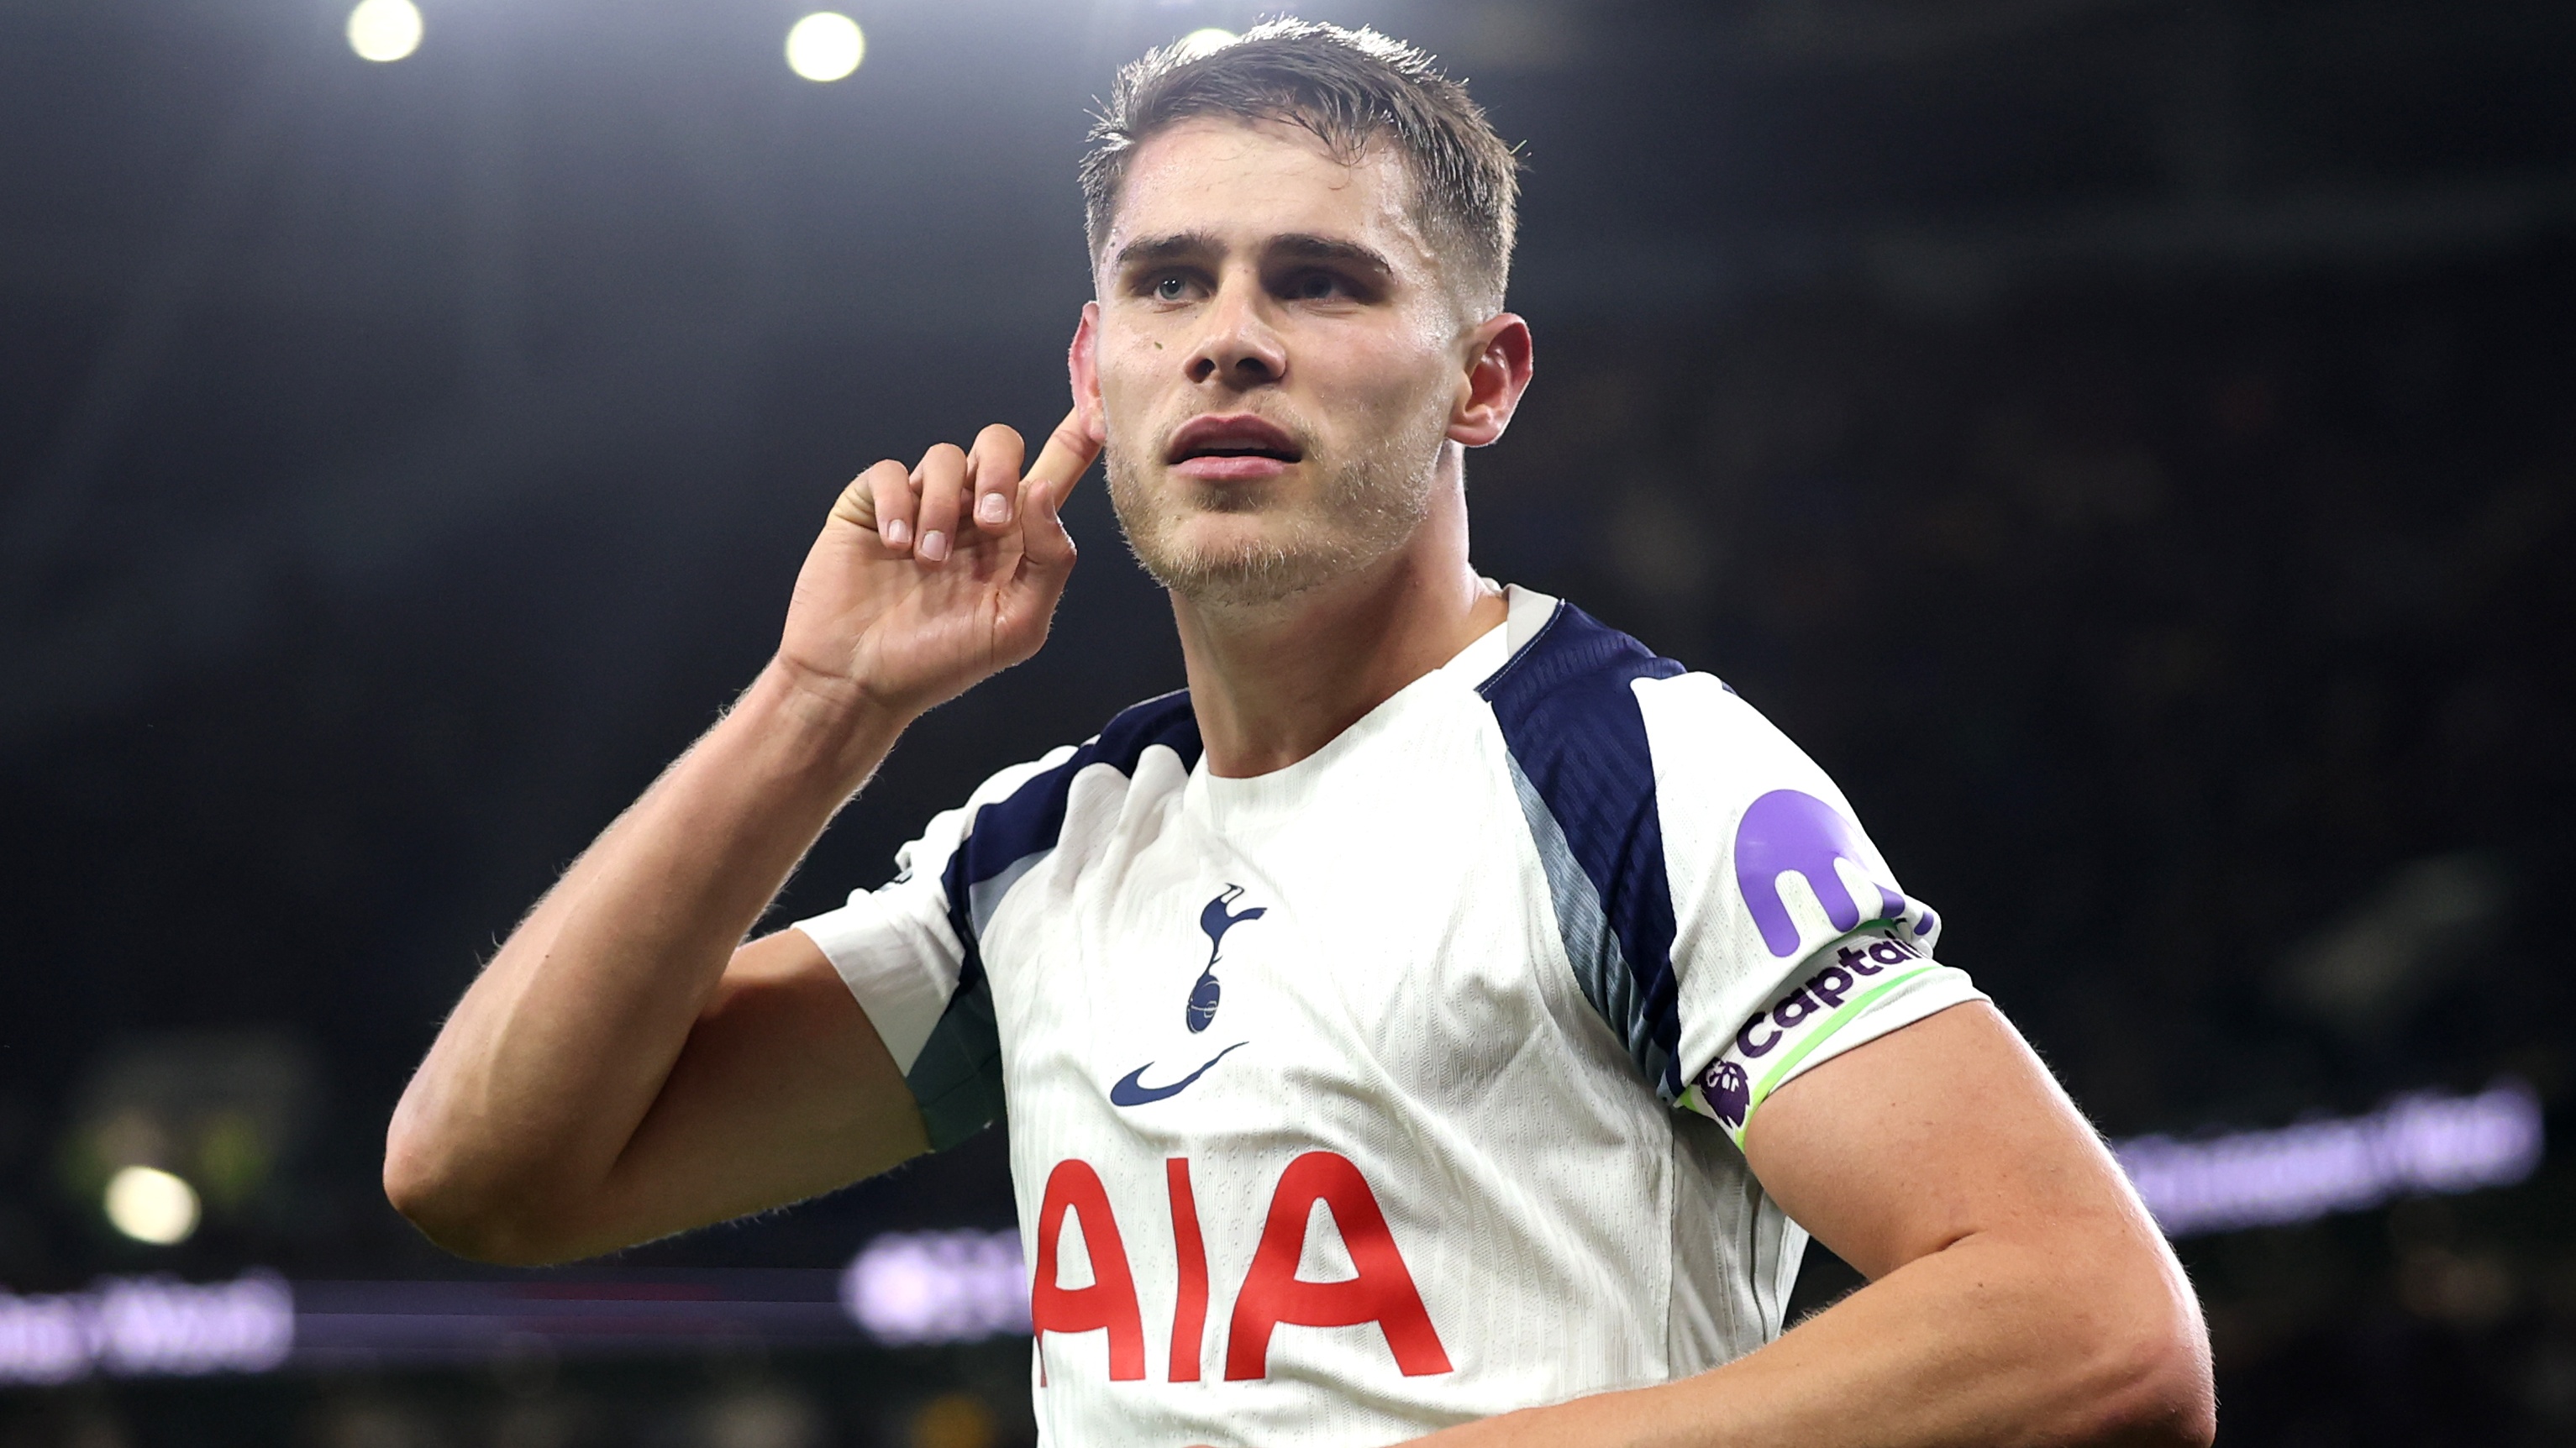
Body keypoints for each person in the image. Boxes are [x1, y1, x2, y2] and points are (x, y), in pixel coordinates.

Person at [385, 20, 2214, 1447]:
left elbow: (2094, 1327)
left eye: (1321, 282)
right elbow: (488, 1179)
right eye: (1167, 282)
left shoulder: (1633, 766)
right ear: (1094, 368)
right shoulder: (1043, 849)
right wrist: (819, 707)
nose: (1227, 339)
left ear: (1484, 378)